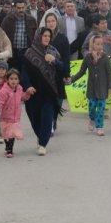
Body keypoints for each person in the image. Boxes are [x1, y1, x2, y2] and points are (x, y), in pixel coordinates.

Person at [21, 28, 64, 156]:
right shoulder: (29, 53)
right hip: (33, 92)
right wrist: (27, 86)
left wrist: (54, 61)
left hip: (49, 91)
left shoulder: (53, 51)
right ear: (38, 36)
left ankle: (43, 143)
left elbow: (62, 67)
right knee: (35, 118)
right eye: (44, 35)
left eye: (48, 36)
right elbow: (24, 72)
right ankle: (40, 137)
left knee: (47, 117)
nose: (46, 38)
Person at [71, 35, 111, 136]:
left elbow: (109, 73)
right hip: (92, 89)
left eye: (101, 44)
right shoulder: (88, 58)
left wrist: (110, 87)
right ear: (92, 45)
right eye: (97, 44)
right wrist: (72, 79)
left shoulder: (105, 58)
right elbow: (82, 71)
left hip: (102, 89)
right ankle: (92, 119)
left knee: (100, 109)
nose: (99, 46)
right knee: (91, 107)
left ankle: (99, 127)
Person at [44, 13, 70, 135]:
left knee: (58, 99)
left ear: (56, 22)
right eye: (48, 21)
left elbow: (66, 57)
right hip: (45, 74)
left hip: (59, 72)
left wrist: (67, 74)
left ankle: (54, 119)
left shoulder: (62, 38)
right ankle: (49, 122)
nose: (51, 23)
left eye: (52, 21)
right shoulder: (42, 37)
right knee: (47, 98)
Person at [0, 68, 30, 158]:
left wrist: (27, 94)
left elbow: (22, 97)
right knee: (5, 133)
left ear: (19, 80)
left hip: (15, 117)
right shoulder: (4, 91)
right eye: (11, 79)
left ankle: (9, 150)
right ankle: (7, 146)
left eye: (16, 79)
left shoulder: (19, 89)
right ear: (7, 80)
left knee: (11, 133)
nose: (14, 81)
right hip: (5, 116)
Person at [1, 0, 37, 71]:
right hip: (12, 52)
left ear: (25, 7)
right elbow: (1, 36)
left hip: (26, 52)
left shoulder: (31, 20)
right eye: (18, 8)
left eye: (22, 8)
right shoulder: (7, 20)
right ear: (14, 8)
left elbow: (35, 37)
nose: (21, 10)